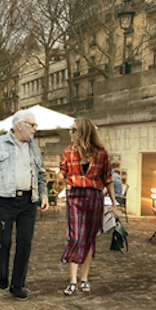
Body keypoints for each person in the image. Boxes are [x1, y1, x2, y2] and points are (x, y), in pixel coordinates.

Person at [0, 110, 48, 300]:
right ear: (20, 125)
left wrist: (43, 195)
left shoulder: (34, 148)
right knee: (4, 240)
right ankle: (3, 273)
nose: (35, 129)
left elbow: (41, 174)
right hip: (4, 200)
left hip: (28, 201)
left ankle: (17, 284)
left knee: (25, 243)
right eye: (32, 125)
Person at [57, 117, 118, 296]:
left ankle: (84, 278)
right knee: (75, 237)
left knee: (89, 238)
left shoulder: (101, 152)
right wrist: (58, 175)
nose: (71, 132)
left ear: (83, 132)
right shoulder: (68, 152)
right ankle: (72, 280)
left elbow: (108, 179)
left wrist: (114, 204)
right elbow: (62, 173)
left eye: (74, 130)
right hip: (75, 196)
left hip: (94, 198)